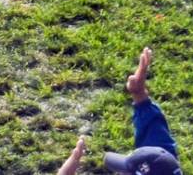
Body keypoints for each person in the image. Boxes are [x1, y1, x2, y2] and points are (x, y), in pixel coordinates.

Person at [53, 48, 185, 175]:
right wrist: (139, 95)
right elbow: (158, 152)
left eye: (126, 172)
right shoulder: (168, 168)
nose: (119, 173)